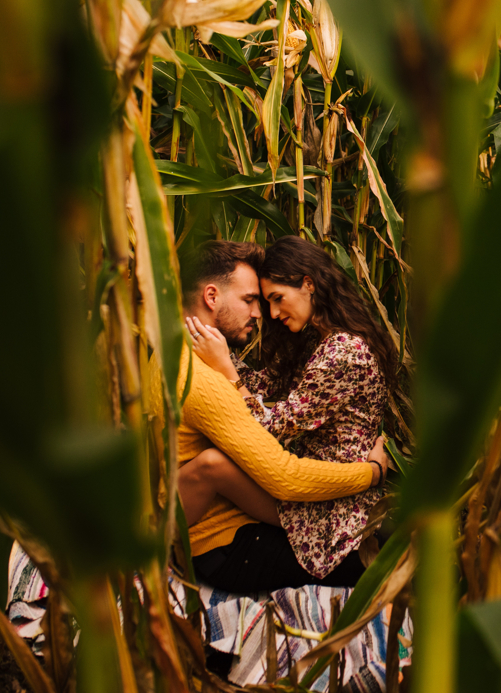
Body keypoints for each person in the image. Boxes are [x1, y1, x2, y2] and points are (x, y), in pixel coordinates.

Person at [146, 240, 389, 595]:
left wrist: (228, 369)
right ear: (211, 297)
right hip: (233, 543)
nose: (264, 313)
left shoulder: (171, 352)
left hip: (301, 505)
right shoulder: (204, 380)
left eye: (273, 299)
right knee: (398, 559)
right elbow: (284, 475)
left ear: (308, 285)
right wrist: (373, 473)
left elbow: (263, 401)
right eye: (252, 300)